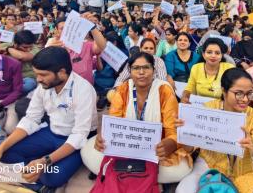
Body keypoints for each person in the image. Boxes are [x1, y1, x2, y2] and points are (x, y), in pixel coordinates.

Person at [0, 46, 97, 191]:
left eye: (43, 75)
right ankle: (34, 177)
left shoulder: (84, 90)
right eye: (36, 74)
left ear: (61, 72)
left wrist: (44, 161)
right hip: (51, 132)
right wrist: (0, 149)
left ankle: (34, 175)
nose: (38, 79)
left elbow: (79, 135)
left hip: (76, 139)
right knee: (4, 155)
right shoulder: (44, 85)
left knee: (53, 177)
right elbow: (31, 119)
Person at [81, 52, 192, 184]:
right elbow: (114, 122)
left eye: (146, 67)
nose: (141, 72)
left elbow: (172, 129)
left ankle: (128, 176)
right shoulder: (123, 89)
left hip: (157, 147)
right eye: (136, 68)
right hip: (127, 144)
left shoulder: (165, 91)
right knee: (88, 152)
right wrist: (105, 136)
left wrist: (171, 144)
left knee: (179, 169)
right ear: (130, 71)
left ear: (154, 70)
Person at [176, 68, 253, 193]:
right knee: (183, 190)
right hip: (210, 165)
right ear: (224, 91)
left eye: (249, 93)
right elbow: (189, 149)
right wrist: (184, 132)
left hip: (245, 172)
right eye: (238, 93)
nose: (245, 99)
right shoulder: (209, 109)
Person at [45, 15, 106, 85]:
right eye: (62, 28)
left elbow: (102, 46)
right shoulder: (53, 46)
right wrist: (50, 51)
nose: (66, 31)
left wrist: (92, 27)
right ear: (57, 30)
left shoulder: (86, 45)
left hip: (86, 88)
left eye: (69, 28)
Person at [181, 38, 234, 103]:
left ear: (221, 56)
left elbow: (233, 92)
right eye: (209, 52)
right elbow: (189, 88)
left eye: (217, 53)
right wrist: (185, 97)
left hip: (222, 108)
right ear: (203, 55)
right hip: (199, 106)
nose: (213, 56)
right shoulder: (196, 68)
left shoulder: (229, 68)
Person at [94, 31, 128, 110]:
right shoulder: (102, 51)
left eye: (106, 42)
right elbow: (99, 68)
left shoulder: (123, 53)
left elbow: (124, 71)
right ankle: (103, 96)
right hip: (101, 78)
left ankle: (108, 96)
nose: (103, 45)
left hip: (115, 78)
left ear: (115, 43)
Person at [5, 30, 40, 94]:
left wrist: (9, 49)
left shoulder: (35, 49)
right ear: (15, 44)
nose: (29, 49)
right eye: (25, 47)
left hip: (27, 78)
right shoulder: (7, 45)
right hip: (10, 78)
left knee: (29, 85)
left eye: (30, 47)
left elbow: (22, 56)